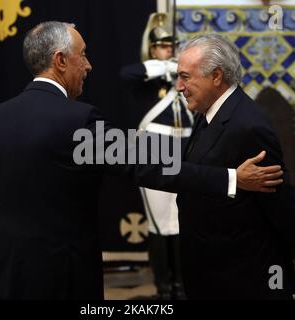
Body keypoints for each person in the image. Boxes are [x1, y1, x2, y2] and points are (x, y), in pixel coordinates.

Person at [0, 21, 284, 300]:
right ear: (60, 61)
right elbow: (148, 165)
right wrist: (231, 179)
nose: (88, 65)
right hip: (64, 280)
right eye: (82, 55)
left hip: (3, 277)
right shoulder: (77, 121)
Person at [175, 34, 295, 299]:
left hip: (242, 278)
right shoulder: (209, 112)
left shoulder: (248, 125)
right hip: (211, 268)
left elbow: (283, 209)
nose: (179, 86)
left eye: (186, 77)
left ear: (216, 76)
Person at [120, 16, 190, 300]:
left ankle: (180, 286)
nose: (168, 50)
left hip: (183, 149)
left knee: (178, 220)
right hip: (154, 150)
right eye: (162, 46)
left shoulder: (181, 78)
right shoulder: (148, 76)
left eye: (172, 46)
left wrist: (177, 71)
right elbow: (126, 74)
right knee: (160, 222)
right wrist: (165, 67)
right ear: (152, 50)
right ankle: (164, 289)